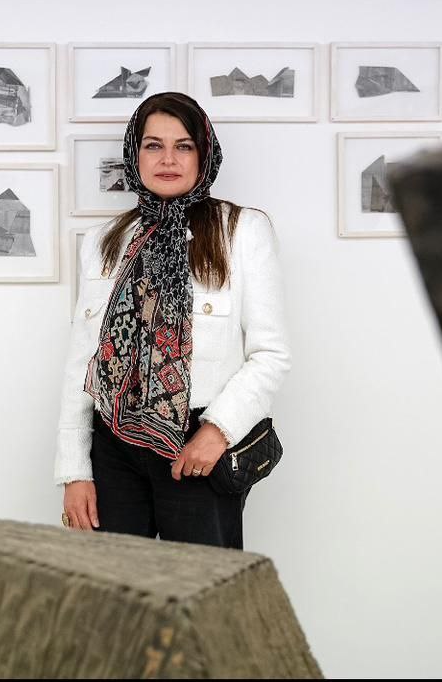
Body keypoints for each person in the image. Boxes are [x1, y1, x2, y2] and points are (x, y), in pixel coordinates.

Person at [54, 91, 290, 549]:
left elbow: (271, 354)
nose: (168, 159)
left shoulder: (242, 231)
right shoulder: (104, 240)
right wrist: (75, 471)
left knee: (201, 585)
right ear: (134, 154)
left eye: (183, 146)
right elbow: (83, 361)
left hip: (197, 445)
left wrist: (217, 431)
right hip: (113, 447)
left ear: (204, 154)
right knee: (117, 585)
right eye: (153, 145)